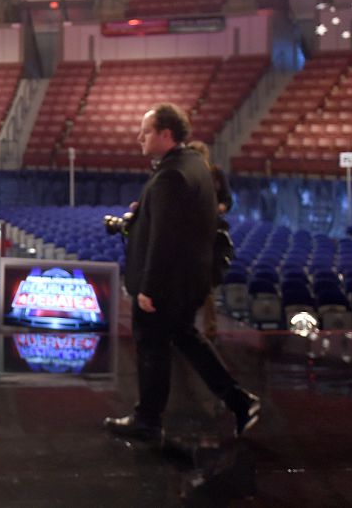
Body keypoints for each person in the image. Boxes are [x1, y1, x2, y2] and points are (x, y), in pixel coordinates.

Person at [104, 103, 259, 441]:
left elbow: (165, 238)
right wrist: (143, 213)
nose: (139, 138)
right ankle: (240, 400)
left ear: (165, 134)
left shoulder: (172, 174)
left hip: (166, 284)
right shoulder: (194, 164)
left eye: (145, 132)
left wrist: (149, 287)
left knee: (151, 348)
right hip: (188, 280)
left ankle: (147, 419)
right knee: (186, 338)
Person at [188, 139, 234, 339]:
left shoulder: (216, 174)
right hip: (189, 231)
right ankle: (187, 325)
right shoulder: (186, 176)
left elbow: (227, 200)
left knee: (207, 285)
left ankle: (210, 329)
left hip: (212, 231)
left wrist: (219, 208)